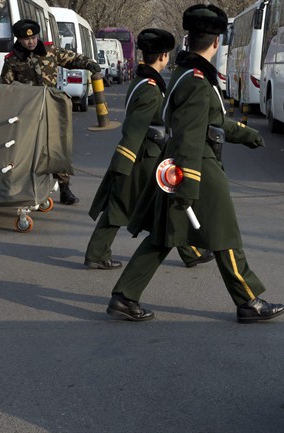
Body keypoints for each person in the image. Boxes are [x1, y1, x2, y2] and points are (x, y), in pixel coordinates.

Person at [105, 4, 284, 324]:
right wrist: (188, 184)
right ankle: (249, 301)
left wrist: (245, 135)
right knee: (225, 235)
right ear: (217, 41)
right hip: (197, 166)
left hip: (182, 164)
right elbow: (191, 134)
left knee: (164, 236)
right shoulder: (197, 80)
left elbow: (208, 122)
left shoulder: (187, 74)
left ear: (189, 38)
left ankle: (124, 296)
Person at [84, 28, 214, 270]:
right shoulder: (149, 88)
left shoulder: (144, 81)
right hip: (143, 158)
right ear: (164, 56)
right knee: (127, 206)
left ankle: (190, 252)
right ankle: (97, 253)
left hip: (146, 155)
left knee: (150, 205)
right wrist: (123, 165)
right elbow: (134, 130)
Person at [0, 19, 101, 204]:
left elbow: (72, 58)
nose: (31, 42)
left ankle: (65, 188)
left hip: (52, 107)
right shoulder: (12, 60)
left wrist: (89, 64)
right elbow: (6, 89)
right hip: (28, 111)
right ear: (19, 40)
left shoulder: (50, 51)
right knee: (28, 149)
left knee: (57, 146)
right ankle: (27, 187)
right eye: (26, 39)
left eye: (34, 37)